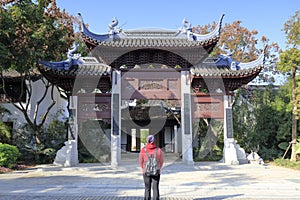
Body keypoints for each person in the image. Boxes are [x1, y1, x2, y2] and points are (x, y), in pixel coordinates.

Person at [139, 135, 164, 200]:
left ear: (147, 141)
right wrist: (158, 167)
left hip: (146, 171)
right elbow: (161, 161)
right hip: (156, 171)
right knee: (155, 188)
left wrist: (144, 168)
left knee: (147, 188)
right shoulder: (158, 150)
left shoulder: (143, 150)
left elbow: (140, 161)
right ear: (154, 141)